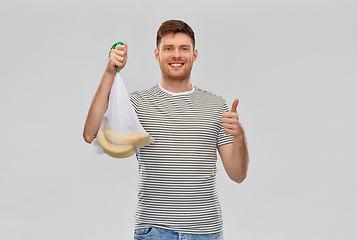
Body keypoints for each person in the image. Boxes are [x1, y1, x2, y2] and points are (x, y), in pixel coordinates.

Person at [83, 19, 249, 240]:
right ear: (157, 54)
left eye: (184, 48)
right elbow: (90, 134)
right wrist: (109, 72)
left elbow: (237, 175)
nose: (176, 55)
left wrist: (239, 135)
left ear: (194, 54)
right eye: (168, 48)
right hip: (154, 230)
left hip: (205, 231)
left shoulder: (216, 106)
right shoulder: (138, 104)